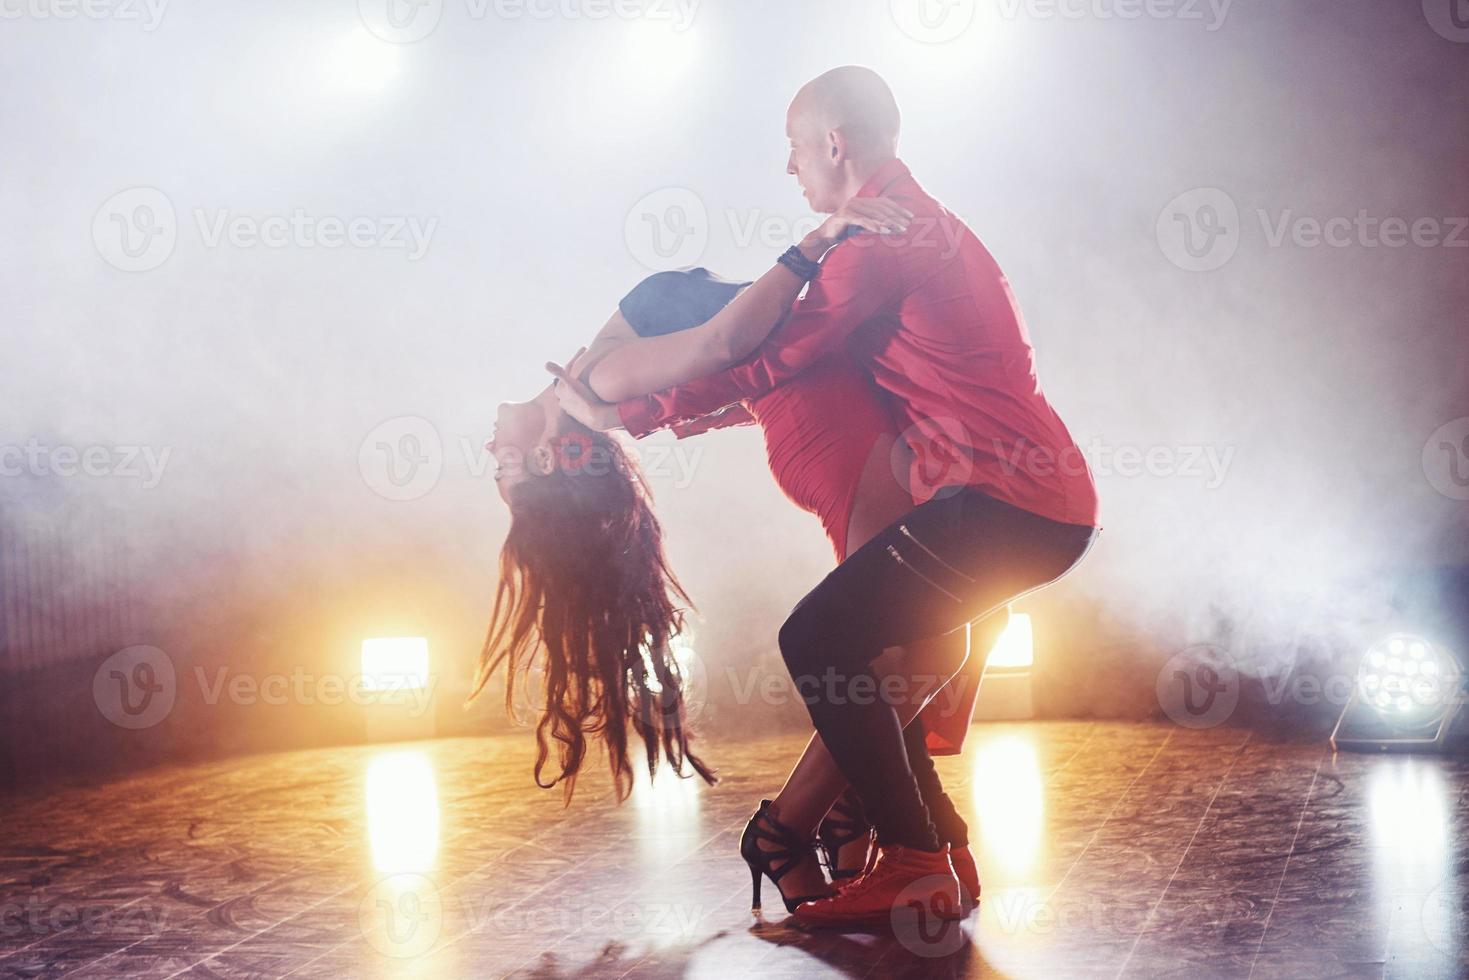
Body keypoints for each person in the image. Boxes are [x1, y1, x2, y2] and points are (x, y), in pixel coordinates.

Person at [551, 65, 1101, 928]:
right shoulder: (906, 222)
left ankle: (914, 859)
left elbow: (775, 354)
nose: (789, 169)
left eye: (794, 149)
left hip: (1005, 503)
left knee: (817, 640)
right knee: (874, 654)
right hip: (1025, 503)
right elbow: (802, 372)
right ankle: (939, 851)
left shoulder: (884, 237)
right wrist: (699, 416)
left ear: (832, 145)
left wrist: (626, 411)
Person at [479, 197, 986, 915]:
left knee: (919, 649)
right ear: (550, 455)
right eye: (502, 468)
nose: (487, 450)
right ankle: (812, 827)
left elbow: (747, 357)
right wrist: (810, 246)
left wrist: (701, 411)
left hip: (839, 414)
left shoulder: (599, 377)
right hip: (832, 432)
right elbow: (726, 348)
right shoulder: (598, 381)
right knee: (920, 652)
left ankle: (857, 824)